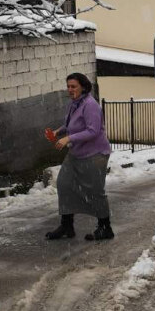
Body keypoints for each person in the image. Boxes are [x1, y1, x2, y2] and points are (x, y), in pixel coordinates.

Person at [45, 72, 114, 241]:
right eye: (68, 86)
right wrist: (59, 132)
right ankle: (67, 225)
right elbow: (71, 124)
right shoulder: (74, 104)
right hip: (76, 152)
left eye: (73, 86)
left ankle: (105, 228)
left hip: (95, 154)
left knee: (95, 191)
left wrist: (68, 138)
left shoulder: (91, 105)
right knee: (64, 184)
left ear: (83, 86)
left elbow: (93, 130)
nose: (70, 89)